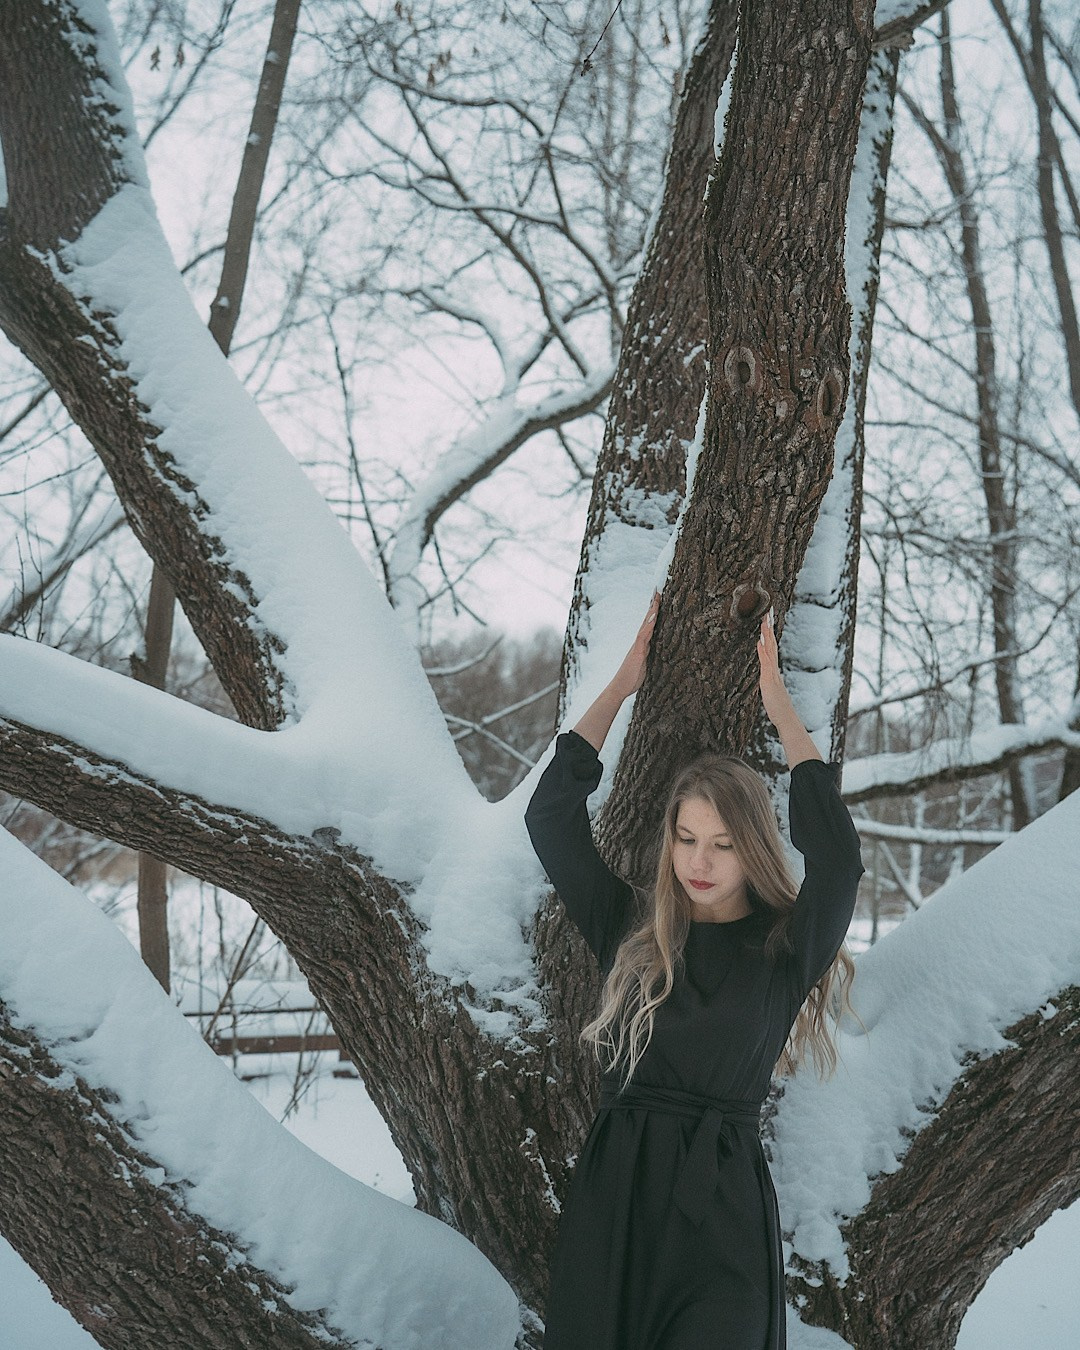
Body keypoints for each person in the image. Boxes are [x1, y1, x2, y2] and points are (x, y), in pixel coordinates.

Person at [524, 597, 866, 1350]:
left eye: (722, 843)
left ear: (752, 849)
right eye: (686, 839)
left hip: (723, 1214)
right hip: (617, 1204)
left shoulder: (784, 951)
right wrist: (620, 686)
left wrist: (781, 710)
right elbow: (549, 817)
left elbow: (839, 864)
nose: (699, 862)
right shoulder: (628, 931)